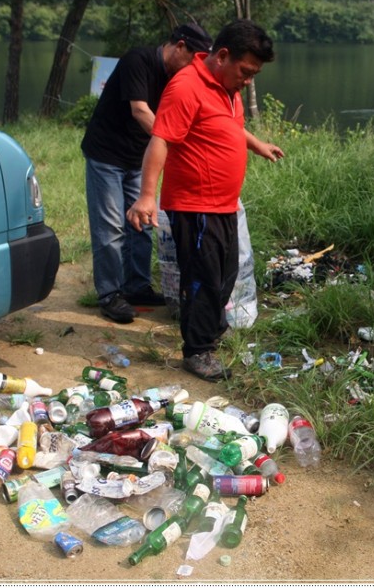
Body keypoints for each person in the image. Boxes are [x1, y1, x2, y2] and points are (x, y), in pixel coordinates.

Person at [125, 19, 284, 381]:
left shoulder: (228, 87)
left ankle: (211, 328)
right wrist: (146, 196)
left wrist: (256, 144)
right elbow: (160, 140)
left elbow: (229, 126)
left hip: (223, 204)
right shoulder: (186, 86)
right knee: (203, 278)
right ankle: (197, 350)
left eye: (254, 74)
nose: (248, 80)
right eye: (246, 72)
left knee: (226, 274)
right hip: (195, 205)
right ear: (222, 56)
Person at [81, 23, 213, 324]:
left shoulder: (179, 77)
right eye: (193, 58)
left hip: (138, 157)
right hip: (106, 155)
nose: (194, 67)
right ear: (180, 46)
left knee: (142, 224)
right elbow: (140, 110)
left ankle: (137, 287)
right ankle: (110, 294)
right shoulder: (138, 60)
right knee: (111, 228)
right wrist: (175, 143)